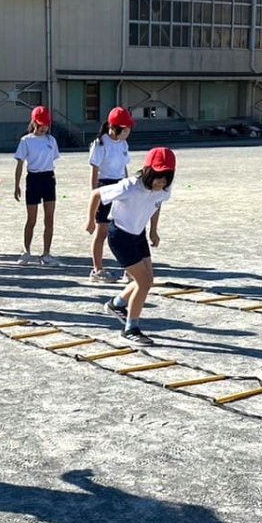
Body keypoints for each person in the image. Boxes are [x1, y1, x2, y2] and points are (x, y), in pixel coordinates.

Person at [85, 147, 176, 346]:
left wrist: (154, 230)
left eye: (167, 177)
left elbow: (156, 205)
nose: (161, 181)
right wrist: (91, 221)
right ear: (148, 171)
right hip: (120, 237)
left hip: (139, 235)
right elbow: (96, 194)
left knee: (148, 280)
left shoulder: (164, 190)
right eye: (158, 176)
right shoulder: (130, 186)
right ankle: (130, 329)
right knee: (143, 283)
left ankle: (116, 304)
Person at [87, 106, 134, 282]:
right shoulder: (100, 143)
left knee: (124, 230)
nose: (129, 132)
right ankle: (97, 270)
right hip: (105, 187)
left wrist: (129, 189)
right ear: (116, 127)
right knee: (102, 231)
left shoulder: (123, 144)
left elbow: (124, 167)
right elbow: (94, 171)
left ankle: (129, 268)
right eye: (126, 128)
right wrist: (94, 196)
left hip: (121, 186)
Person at [13, 106, 61, 266]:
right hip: (33, 179)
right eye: (40, 124)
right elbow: (20, 163)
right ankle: (26, 251)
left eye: (46, 124)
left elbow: (53, 160)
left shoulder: (51, 140)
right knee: (31, 219)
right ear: (34, 122)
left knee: (49, 218)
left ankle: (46, 253)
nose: (43, 128)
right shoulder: (26, 140)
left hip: (48, 179)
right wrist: (16, 185)